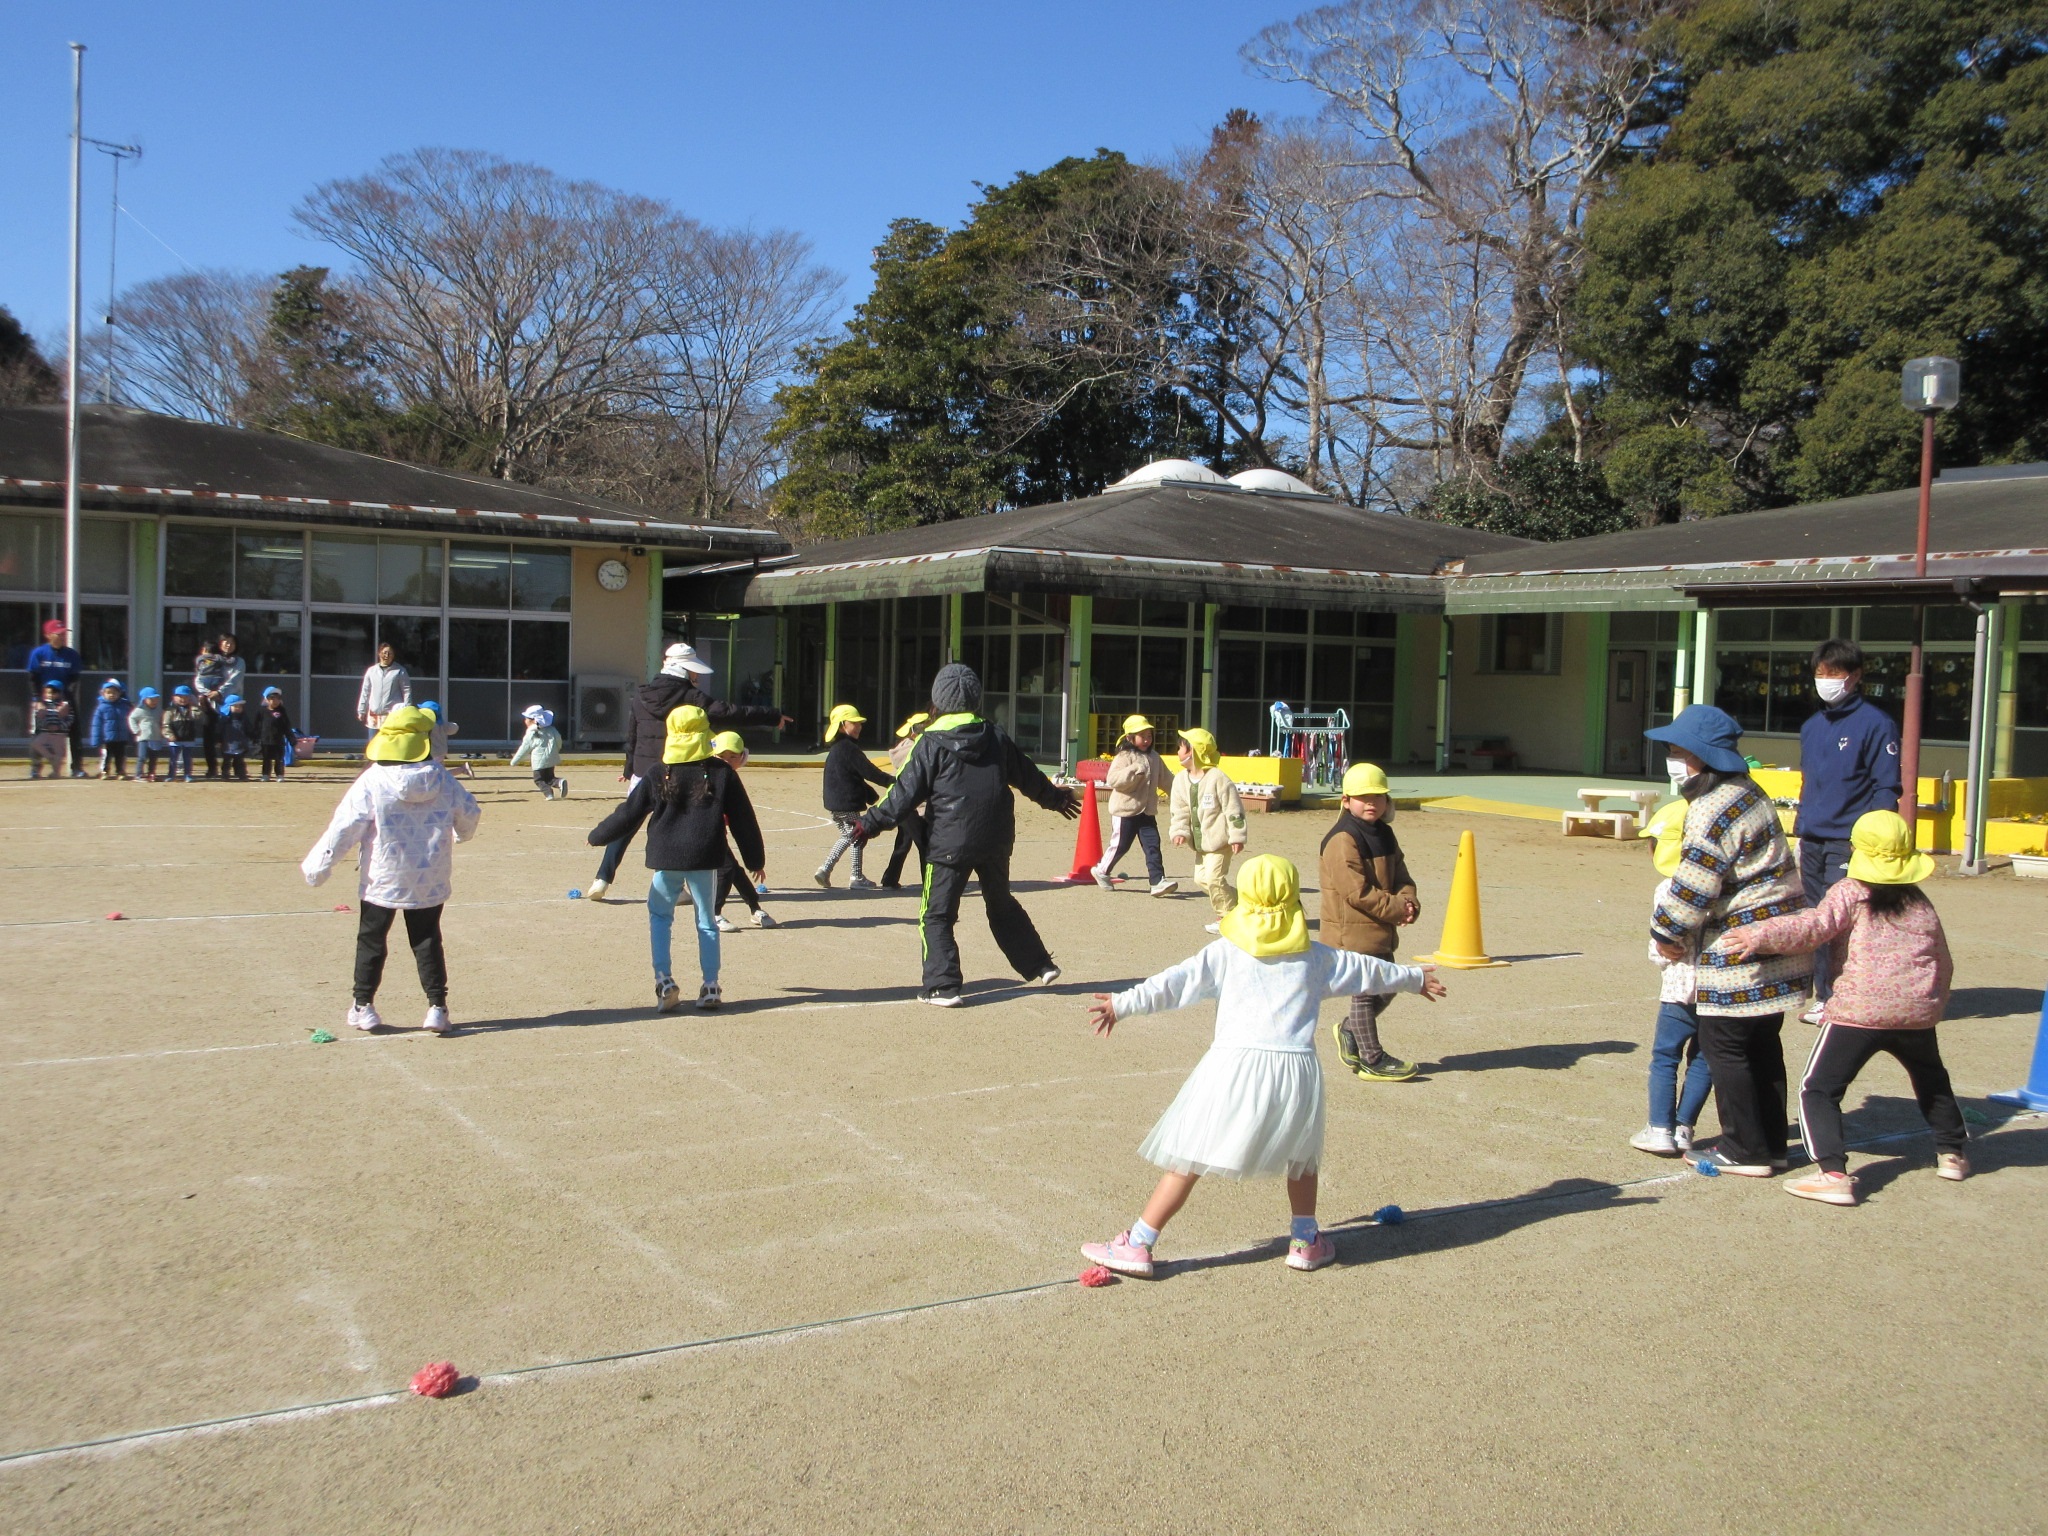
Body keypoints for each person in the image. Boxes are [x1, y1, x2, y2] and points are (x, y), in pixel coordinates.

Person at [1080, 854, 1447, 1278]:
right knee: (1301, 1158)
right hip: (1297, 1069)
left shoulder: (1225, 952)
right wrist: (1415, 978)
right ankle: (1305, 1241)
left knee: (1190, 1155)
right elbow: (1366, 970)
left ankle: (1140, 1242)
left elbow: (1175, 983)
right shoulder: (1316, 957)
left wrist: (1122, 1004)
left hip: (1234, 1066)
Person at [1721, 810, 1966, 1205]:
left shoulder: (1850, 891)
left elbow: (1813, 928)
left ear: (1857, 850)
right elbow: (1943, 957)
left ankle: (1833, 1172)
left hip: (1861, 1009)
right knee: (1932, 1078)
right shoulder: (1920, 901)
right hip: (1917, 1011)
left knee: (1818, 1088)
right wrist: (1936, 1000)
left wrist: (1759, 935)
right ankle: (1952, 1152)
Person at [1647, 705, 1813, 1177]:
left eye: (1679, 752)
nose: (1673, 761)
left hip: (1740, 948)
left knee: (1725, 1046)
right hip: (1779, 942)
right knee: (1763, 1046)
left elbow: (1694, 884)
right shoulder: (1750, 793)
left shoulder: (1710, 808)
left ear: (1704, 757)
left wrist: (1665, 932)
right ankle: (1771, 1143)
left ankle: (1745, 1149)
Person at [852, 663, 1079, 1007]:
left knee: (937, 913)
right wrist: (1056, 798)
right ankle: (1040, 964)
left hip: (950, 842)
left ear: (937, 701)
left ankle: (942, 986)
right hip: (996, 838)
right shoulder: (995, 735)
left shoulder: (929, 742)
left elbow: (903, 793)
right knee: (1000, 904)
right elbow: (1028, 774)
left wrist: (869, 823)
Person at [302, 705, 482, 1035]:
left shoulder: (372, 779)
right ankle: (437, 1007)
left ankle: (363, 1006)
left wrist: (317, 868)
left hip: (382, 875)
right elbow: (470, 811)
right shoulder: (441, 777)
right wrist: (461, 833)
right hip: (429, 874)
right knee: (427, 939)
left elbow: (344, 827)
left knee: (371, 938)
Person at [586, 705, 766, 1013]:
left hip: (665, 856)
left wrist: (598, 835)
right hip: (704, 856)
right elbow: (743, 820)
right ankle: (710, 985)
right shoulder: (722, 772)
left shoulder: (658, 772)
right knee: (707, 920)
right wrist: (754, 858)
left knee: (659, 916)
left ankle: (664, 980)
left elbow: (629, 813)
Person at [585, 641, 791, 901]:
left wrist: (629, 768)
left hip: (643, 770)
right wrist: (771, 716)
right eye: (694, 672)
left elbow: (633, 735)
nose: (696, 676)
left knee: (628, 821)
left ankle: (602, 879)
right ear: (685, 671)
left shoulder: (642, 695)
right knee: (675, 826)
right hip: (677, 769)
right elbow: (728, 713)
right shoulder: (691, 696)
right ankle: (674, 886)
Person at [1794, 638, 1903, 1025]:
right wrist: (1800, 828)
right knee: (1813, 916)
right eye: (1820, 673)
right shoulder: (1811, 725)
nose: (1826, 680)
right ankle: (1820, 989)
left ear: (1855, 677)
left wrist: (1872, 840)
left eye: (1835, 673)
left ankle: (1835, 995)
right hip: (1812, 837)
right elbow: (1811, 782)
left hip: (1850, 841)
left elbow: (1887, 787)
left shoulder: (1876, 724)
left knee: (1840, 919)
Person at [1317, 762, 1423, 1082]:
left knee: (1389, 983)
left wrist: (1409, 902)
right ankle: (1371, 1059)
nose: (1372, 803)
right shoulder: (1342, 839)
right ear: (1346, 800)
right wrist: (1395, 909)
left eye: (1378, 797)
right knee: (1365, 991)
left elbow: (1402, 875)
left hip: (1377, 930)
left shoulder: (1385, 834)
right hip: (1348, 932)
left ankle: (1350, 1031)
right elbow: (1356, 892)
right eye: (1364, 797)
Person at [1629, 800, 1713, 1156]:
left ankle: (1660, 1127)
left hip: (1678, 988)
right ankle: (1684, 1127)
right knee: (1704, 1059)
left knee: (1666, 1056)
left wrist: (1663, 952)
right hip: (1716, 990)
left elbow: (1660, 946)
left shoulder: (1667, 890)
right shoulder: (1719, 886)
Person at [1169, 727, 1245, 932]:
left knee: (1214, 878)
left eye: (1181, 748)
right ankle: (1246, 903)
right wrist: (1179, 831)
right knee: (1201, 879)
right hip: (1200, 844)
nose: (1177, 752)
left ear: (1194, 751)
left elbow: (1233, 808)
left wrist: (1237, 835)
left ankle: (1227, 917)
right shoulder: (1180, 780)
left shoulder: (1218, 778)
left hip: (1220, 841)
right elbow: (1179, 810)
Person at [1093, 714, 1178, 896]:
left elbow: (1167, 780)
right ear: (1130, 738)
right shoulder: (1124, 757)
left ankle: (1157, 882)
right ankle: (1101, 870)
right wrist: (1132, 770)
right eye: (1143, 736)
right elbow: (1113, 779)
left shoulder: (1155, 757)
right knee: (1120, 845)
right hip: (1125, 811)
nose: (1147, 740)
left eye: (1149, 736)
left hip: (1147, 812)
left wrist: (1181, 794)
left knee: (1153, 845)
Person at [815, 704, 893, 890]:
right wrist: (894, 782)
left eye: (860, 723)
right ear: (842, 725)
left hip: (835, 803)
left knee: (854, 836)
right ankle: (830, 870)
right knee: (854, 836)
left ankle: (850, 875)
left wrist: (870, 794)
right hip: (846, 804)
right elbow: (870, 772)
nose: (859, 727)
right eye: (854, 723)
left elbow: (852, 776)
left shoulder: (837, 749)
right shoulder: (848, 748)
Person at [709, 730, 775, 931]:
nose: (727, 762)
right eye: (721, 757)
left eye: (733, 757)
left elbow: (744, 822)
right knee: (727, 869)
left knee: (735, 870)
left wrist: (755, 862)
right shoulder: (707, 775)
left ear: (742, 757)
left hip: (718, 835)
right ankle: (713, 913)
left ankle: (755, 908)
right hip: (701, 835)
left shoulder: (731, 780)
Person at [26, 619, 84, 777]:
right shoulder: (39, 653)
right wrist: (38, 699)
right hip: (44, 699)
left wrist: (66, 700)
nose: (62, 636)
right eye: (58, 634)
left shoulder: (71, 655)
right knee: (38, 732)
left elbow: (74, 679)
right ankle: (35, 768)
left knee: (74, 732)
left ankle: (77, 767)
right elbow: (33, 678)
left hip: (65, 698)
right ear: (47, 635)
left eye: (63, 634)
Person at [881, 712, 931, 888]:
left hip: (903, 803)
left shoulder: (906, 746)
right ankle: (929, 883)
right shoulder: (914, 750)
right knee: (925, 844)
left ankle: (890, 878)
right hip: (911, 805)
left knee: (903, 842)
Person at [194, 636, 241, 779]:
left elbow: (234, 680)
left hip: (228, 702)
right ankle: (211, 767)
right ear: (220, 644)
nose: (228, 645)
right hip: (209, 702)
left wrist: (218, 692)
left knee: (230, 736)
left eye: (232, 642)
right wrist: (204, 694)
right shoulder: (208, 660)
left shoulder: (238, 661)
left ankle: (230, 768)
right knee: (208, 736)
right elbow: (199, 678)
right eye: (226, 642)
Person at [510, 705, 567, 799]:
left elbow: (524, 748)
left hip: (539, 760)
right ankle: (559, 782)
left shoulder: (531, 733)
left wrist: (514, 761)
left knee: (538, 779)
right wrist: (556, 750)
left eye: (526, 719)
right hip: (552, 758)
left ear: (533, 720)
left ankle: (548, 794)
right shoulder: (552, 729)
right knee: (549, 778)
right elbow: (559, 741)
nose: (525, 721)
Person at [357, 642, 411, 733]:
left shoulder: (400, 671)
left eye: (390, 653)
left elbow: (406, 691)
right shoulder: (371, 671)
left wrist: (408, 709)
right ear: (379, 653)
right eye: (384, 652)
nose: (387, 655)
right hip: (374, 716)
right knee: (373, 745)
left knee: (390, 745)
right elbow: (365, 691)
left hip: (391, 716)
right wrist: (361, 710)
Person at [88, 679, 135, 780]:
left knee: (120, 756)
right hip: (107, 738)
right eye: (108, 693)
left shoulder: (124, 706)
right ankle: (104, 771)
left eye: (114, 692)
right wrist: (96, 739)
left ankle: (120, 771)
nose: (111, 695)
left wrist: (131, 736)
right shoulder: (101, 708)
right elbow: (96, 725)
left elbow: (129, 721)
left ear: (119, 693)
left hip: (121, 738)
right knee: (106, 756)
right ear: (103, 693)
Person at [28, 679, 72, 779]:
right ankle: (49, 758)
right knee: (36, 743)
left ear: (60, 693)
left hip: (60, 734)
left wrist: (60, 726)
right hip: (46, 732)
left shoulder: (65, 705)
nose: (50, 695)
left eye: (54, 692)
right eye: (48, 692)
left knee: (58, 753)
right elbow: (39, 718)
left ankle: (56, 772)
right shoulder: (43, 705)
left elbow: (70, 719)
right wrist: (46, 724)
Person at [252, 687, 296, 781]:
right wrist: (255, 737)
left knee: (279, 759)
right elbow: (257, 725)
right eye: (272, 699)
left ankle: (279, 775)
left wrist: (291, 738)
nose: (275, 701)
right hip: (265, 740)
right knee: (266, 759)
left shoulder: (281, 711)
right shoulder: (261, 711)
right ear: (267, 700)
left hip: (278, 740)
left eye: (277, 699)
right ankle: (265, 774)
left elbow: (286, 726)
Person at [163, 685, 204, 782]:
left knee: (187, 758)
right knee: (173, 758)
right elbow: (166, 724)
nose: (183, 699)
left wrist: (194, 706)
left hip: (188, 738)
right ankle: (171, 774)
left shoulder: (192, 709)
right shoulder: (170, 710)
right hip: (175, 738)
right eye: (180, 697)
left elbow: (198, 716)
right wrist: (169, 735)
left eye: (186, 697)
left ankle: (187, 774)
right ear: (174, 697)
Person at [129, 686, 167, 783]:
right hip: (143, 737)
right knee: (142, 756)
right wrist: (136, 730)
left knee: (153, 757)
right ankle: (138, 774)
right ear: (144, 699)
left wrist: (163, 730)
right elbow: (131, 719)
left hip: (155, 737)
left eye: (156, 699)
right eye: (151, 699)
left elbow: (164, 720)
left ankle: (151, 773)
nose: (154, 701)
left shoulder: (159, 710)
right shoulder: (139, 710)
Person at [217, 695, 253, 781]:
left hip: (240, 744)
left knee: (240, 761)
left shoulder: (244, 718)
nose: (238, 708)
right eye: (235, 706)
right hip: (227, 744)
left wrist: (252, 736)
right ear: (228, 707)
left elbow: (249, 729)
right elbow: (219, 731)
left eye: (240, 706)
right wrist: (218, 740)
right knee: (226, 761)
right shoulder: (224, 719)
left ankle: (242, 775)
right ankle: (225, 775)